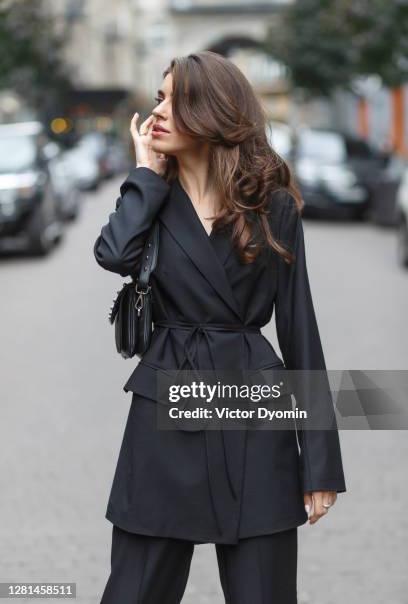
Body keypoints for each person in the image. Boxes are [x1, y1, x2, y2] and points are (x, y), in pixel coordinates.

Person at [93, 51, 346, 604]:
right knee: (134, 591)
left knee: (263, 592)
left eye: (172, 99)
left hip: (255, 412)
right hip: (165, 409)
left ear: (210, 111)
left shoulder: (272, 205)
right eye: (157, 97)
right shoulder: (152, 197)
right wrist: (144, 175)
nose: (156, 111)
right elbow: (113, 254)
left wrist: (320, 460)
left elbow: (301, 328)